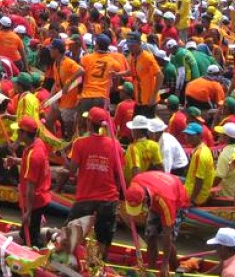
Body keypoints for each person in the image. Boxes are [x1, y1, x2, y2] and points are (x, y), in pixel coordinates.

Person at [65, 107, 123, 257]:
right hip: (108, 198)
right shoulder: (115, 145)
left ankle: (68, 259)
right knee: (104, 238)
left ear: (89, 123)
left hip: (86, 197)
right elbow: (119, 174)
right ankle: (100, 264)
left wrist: (64, 157)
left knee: (71, 231)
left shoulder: (80, 143)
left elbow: (71, 170)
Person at [124, 171, 190, 275]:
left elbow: (167, 235)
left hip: (177, 201)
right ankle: (151, 270)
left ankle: (175, 267)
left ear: (144, 199)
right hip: (156, 195)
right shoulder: (135, 183)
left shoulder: (165, 202)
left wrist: (164, 263)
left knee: (168, 238)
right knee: (151, 235)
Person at [14, 116, 50, 247]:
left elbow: (30, 187)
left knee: (30, 235)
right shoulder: (38, 144)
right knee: (27, 232)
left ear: (24, 133)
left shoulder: (33, 155)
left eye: (19, 131)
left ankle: (39, 256)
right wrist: (16, 161)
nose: (17, 133)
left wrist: (28, 212)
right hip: (41, 196)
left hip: (34, 200)